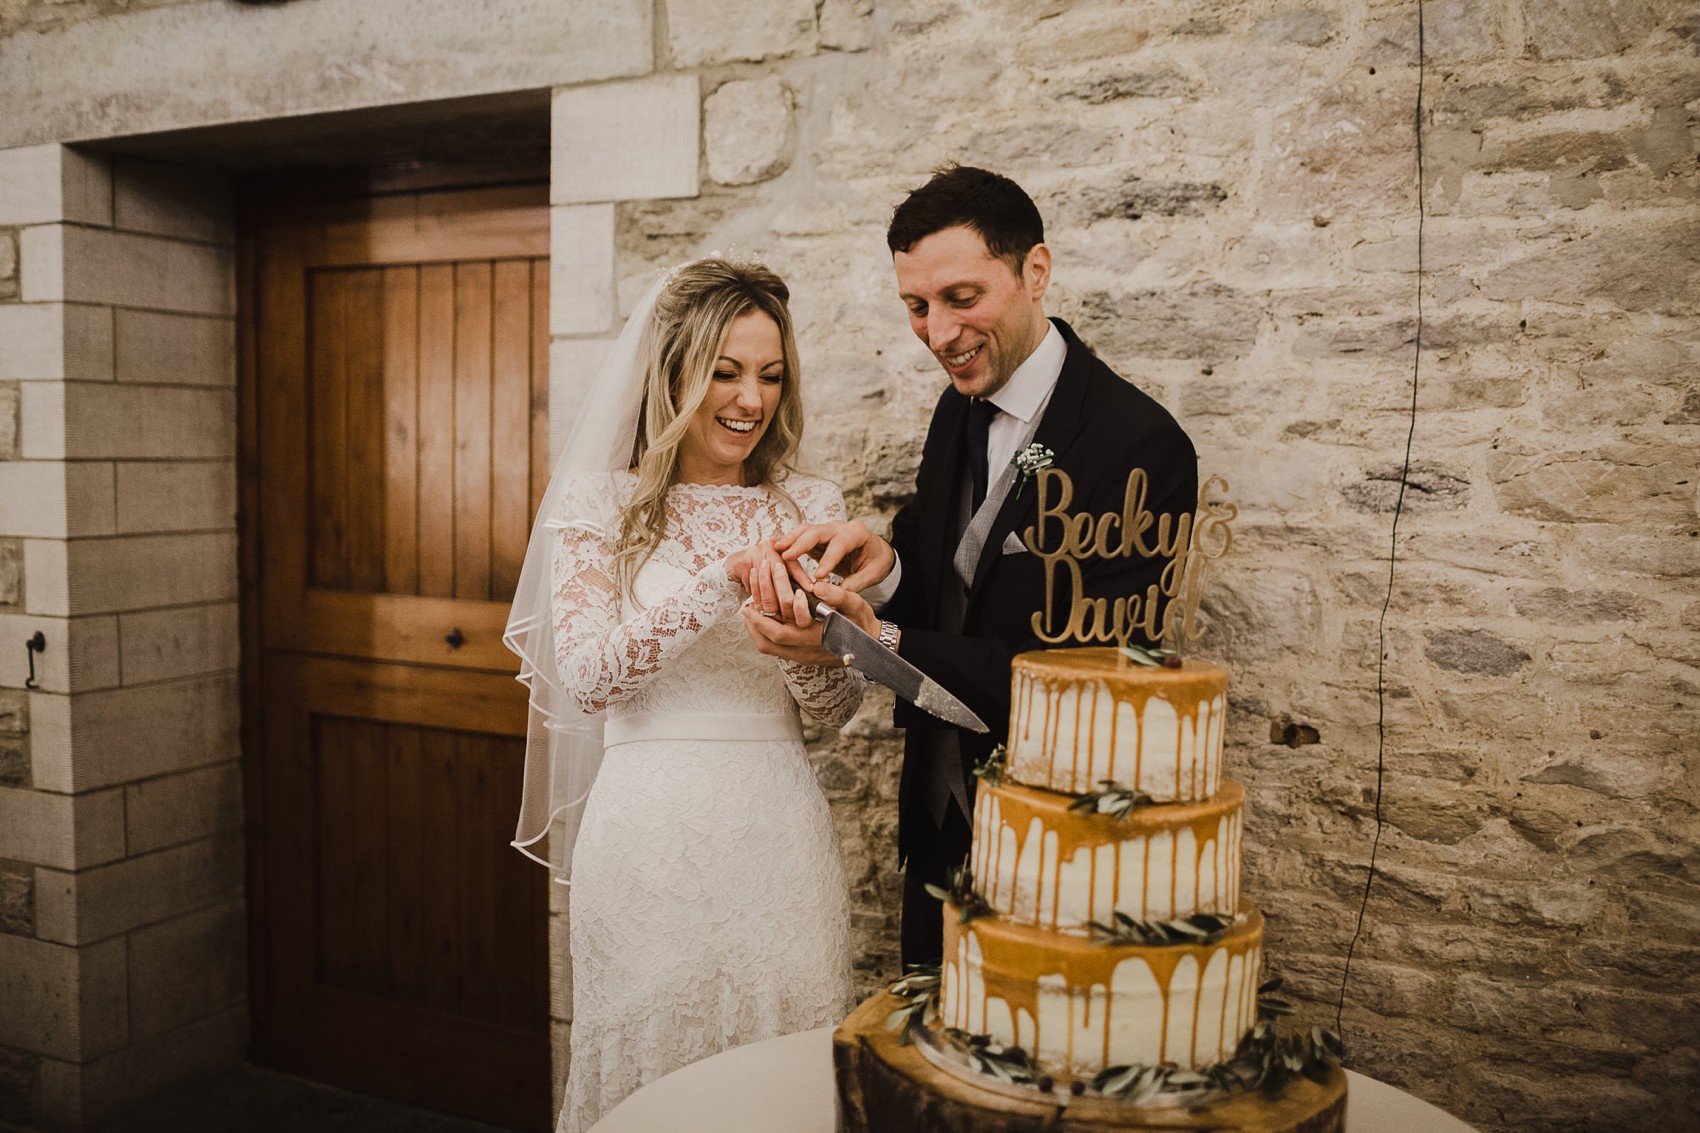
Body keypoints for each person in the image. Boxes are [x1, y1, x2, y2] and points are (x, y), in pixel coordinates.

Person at [745, 166, 1199, 967]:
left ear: (1035, 271)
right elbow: (950, 578)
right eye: (916, 306)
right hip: (936, 823)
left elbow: (1090, 676)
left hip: (1057, 835)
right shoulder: (956, 410)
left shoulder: (1141, 446)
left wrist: (873, 637)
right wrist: (882, 566)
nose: (938, 333)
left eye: (961, 298)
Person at [503, 259, 870, 1132]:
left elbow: (830, 713)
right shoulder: (599, 504)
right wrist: (720, 579)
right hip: (650, 841)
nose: (751, 398)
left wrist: (795, 644)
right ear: (671, 374)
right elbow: (588, 679)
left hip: (777, 829)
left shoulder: (809, 503)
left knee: (784, 1071)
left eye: (771, 375)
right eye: (726, 371)